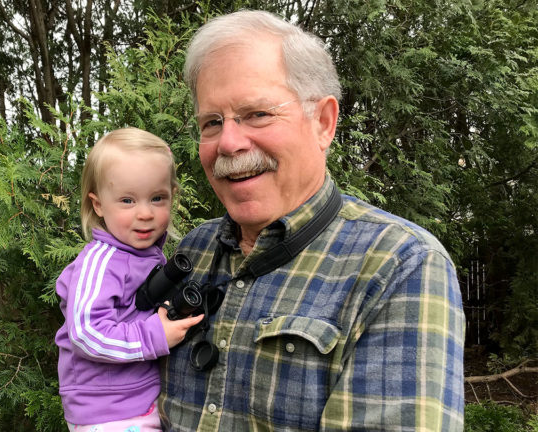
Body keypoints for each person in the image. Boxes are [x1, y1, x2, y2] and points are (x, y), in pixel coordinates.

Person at [158, 10, 465, 431]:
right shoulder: (192, 252)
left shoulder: (400, 265)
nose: (228, 142)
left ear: (323, 122)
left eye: (257, 114)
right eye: (212, 122)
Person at [55, 127, 204, 431]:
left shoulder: (148, 255)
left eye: (157, 198)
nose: (145, 213)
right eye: (127, 200)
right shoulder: (100, 262)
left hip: (141, 401)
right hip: (108, 412)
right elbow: (86, 334)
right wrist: (155, 336)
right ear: (98, 205)